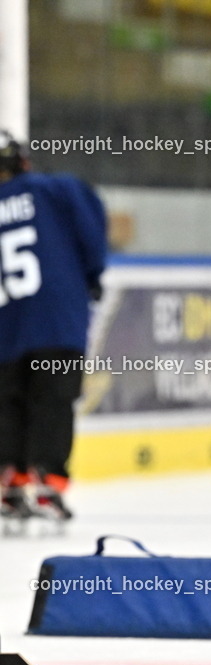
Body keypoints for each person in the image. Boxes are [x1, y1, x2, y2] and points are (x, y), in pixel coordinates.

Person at [0, 130, 107, 524]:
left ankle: (9, 481)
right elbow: (92, 233)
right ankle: (48, 485)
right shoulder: (56, 189)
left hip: (5, 329)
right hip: (56, 322)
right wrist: (93, 275)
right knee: (53, 404)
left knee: (7, 405)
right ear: (23, 161)